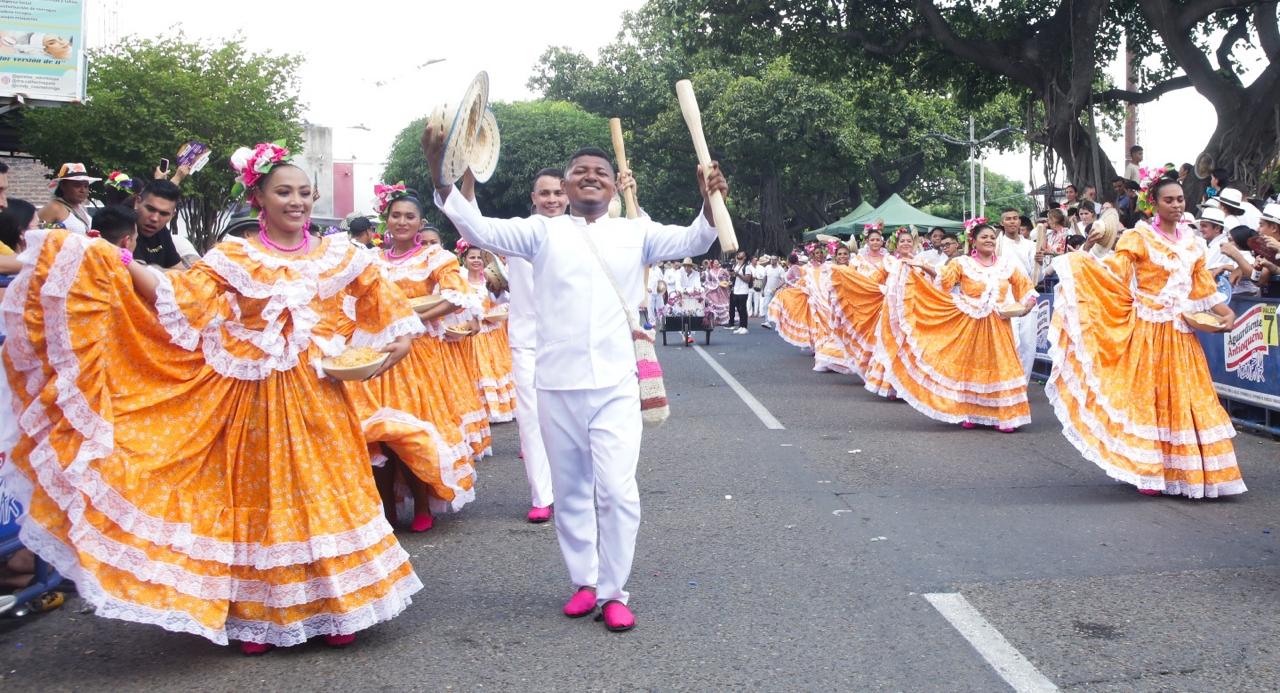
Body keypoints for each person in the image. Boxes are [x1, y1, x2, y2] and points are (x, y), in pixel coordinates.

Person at [2, 143, 424, 653]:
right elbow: (175, 296)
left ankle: (338, 609)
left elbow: (392, 315)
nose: (297, 201)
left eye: (304, 193)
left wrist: (387, 352)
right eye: (284, 192)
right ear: (259, 198)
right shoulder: (235, 256)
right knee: (264, 499)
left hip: (322, 395)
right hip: (254, 400)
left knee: (324, 491)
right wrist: (114, 259)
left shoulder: (342, 255)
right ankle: (261, 613)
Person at [425, 126, 728, 633]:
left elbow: (698, 238)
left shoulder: (637, 232)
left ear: (613, 186)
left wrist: (708, 200)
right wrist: (441, 175)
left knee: (617, 490)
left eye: (601, 173)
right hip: (556, 384)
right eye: (579, 173)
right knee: (569, 492)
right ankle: (584, 581)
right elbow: (476, 228)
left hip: (615, 385)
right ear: (565, 188)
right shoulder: (541, 232)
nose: (590, 178)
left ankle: (613, 591)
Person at [1046, 174, 1244, 498]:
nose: (1177, 205)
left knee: (1188, 399)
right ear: (1154, 203)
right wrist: (1085, 252)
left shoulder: (1193, 244)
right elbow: (1112, 274)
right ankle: (1148, 469)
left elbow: (1203, 289)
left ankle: (1189, 470)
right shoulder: (1139, 238)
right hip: (1149, 330)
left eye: (1180, 199)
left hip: (1182, 333)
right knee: (1147, 399)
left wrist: (1227, 315)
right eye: (1170, 200)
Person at [346, 183, 480, 534]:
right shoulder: (370, 260)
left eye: (410, 216)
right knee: (378, 434)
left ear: (421, 223)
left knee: (413, 434)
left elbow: (456, 295)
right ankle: (387, 509)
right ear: (385, 220)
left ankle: (422, 504)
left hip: (419, 356)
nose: (402, 222)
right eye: (396, 216)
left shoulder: (436, 257)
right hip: (378, 354)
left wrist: (412, 319)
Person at [868, 223, 1036, 430]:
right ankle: (971, 412)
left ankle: (1005, 416)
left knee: (1002, 367)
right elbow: (943, 280)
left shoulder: (1006, 265)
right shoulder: (962, 263)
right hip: (970, 325)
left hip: (999, 325)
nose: (990, 240)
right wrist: (923, 267)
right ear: (973, 241)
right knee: (971, 367)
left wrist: (1027, 305)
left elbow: (1025, 287)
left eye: (993, 237)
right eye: (985, 237)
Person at [508, 167, 563, 523]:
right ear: (533, 198)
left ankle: (571, 489)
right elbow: (470, 221)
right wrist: (464, 178)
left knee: (569, 421)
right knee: (530, 419)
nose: (552, 200)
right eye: (545, 193)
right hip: (527, 341)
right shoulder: (516, 232)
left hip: (569, 343)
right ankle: (542, 495)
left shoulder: (583, 233)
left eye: (559, 193)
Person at [462, 244, 517, 422]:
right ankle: (485, 410)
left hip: (494, 333)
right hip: (475, 336)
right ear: (465, 260)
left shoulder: (492, 279)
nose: (476, 260)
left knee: (498, 368)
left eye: (479, 257)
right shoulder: (461, 283)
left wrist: (495, 312)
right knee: (479, 371)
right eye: (472, 257)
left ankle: (503, 408)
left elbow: (504, 301)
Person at [997, 208, 1037, 378]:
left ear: (1020, 222)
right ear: (1002, 223)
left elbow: (1037, 275)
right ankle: (1009, 385)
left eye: (1015, 218)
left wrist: (1040, 263)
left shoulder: (1031, 245)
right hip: (1005, 297)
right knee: (1012, 343)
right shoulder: (996, 244)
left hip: (1027, 295)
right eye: (1008, 219)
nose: (1012, 221)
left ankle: (1022, 387)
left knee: (1028, 345)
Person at [129, 179, 187, 268]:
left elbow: (178, 268)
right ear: (137, 202)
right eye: (150, 209)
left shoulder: (162, 231)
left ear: (172, 215)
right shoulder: (123, 227)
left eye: (164, 214)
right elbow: (142, 273)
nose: (155, 219)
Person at [37, 163, 99, 233]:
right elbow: (35, 233)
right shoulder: (53, 207)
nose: (83, 190)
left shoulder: (82, 208)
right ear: (63, 186)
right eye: (77, 185)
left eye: (86, 186)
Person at [727, 250, 753, 333]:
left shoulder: (747, 267)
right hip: (736, 290)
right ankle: (741, 326)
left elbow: (747, 279)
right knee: (738, 309)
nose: (739, 254)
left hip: (743, 290)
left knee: (742, 309)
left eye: (741, 253)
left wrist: (738, 275)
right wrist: (732, 274)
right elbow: (734, 276)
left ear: (744, 257)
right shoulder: (736, 265)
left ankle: (744, 327)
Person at [759, 254, 786, 329]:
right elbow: (764, 278)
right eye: (771, 259)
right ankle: (767, 322)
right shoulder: (767, 267)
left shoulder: (780, 269)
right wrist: (762, 289)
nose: (772, 261)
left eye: (774, 259)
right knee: (766, 305)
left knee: (778, 307)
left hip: (777, 291)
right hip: (768, 290)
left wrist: (777, 288)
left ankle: (780, 323)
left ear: (777, 260)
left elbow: (784, 281)